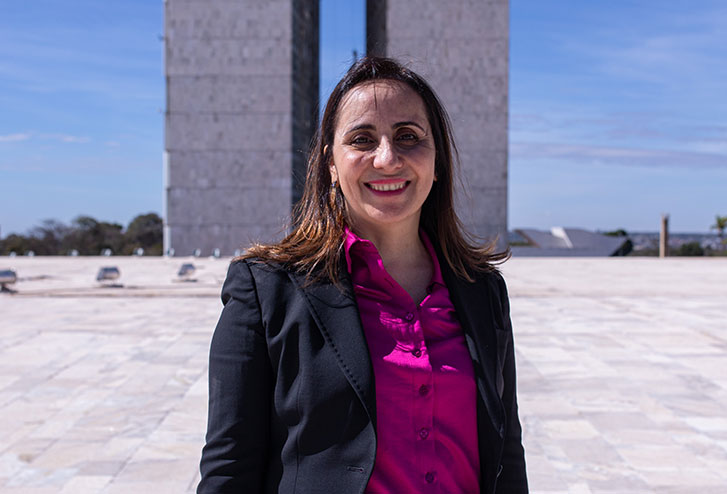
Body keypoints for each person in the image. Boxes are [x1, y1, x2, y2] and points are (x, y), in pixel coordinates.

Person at [197, 56, 528, 494]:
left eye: (409, 137)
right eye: (362, 139)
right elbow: (229, 469)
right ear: (331, 164)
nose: (388, 158)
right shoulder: (265, 290)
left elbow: (506, 454)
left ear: (437, 161)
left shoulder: (482, 290)